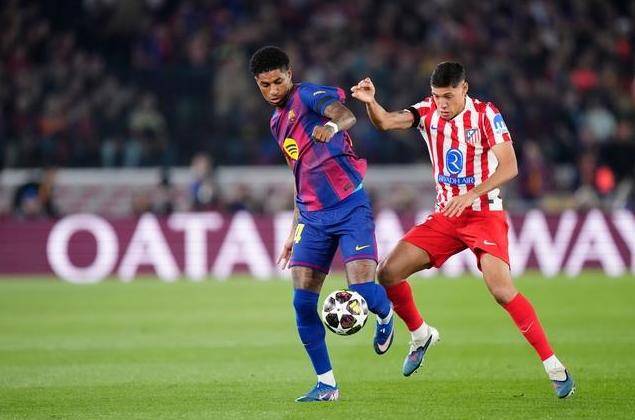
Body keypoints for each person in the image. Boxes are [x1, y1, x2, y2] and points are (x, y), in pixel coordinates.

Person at [351, 62, 575, 399]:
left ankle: (554, 366)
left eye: (448, 96)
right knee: (388, 273)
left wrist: (471, 194)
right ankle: (420, 334)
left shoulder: (485, 115)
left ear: (464, 89)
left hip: (483, 213)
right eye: (437, 96)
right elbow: (385, 122)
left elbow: (510, 166)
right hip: (446, 216)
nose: (442, 103)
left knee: (501, 290)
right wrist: (371, 102)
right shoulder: (427, 111)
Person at [249, 46, 394, 402]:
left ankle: (386, 314)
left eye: (278, 81)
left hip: (349, 207)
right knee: (301, 303)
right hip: (311, 218)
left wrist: (330, 126)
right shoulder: (276, 123)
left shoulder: (308, 96)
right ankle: (327, 384)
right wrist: (291, 231)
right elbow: (297, 177)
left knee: (363, 291)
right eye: (265, 85)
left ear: (289, 74)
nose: (273, 90)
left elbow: (346, 115)